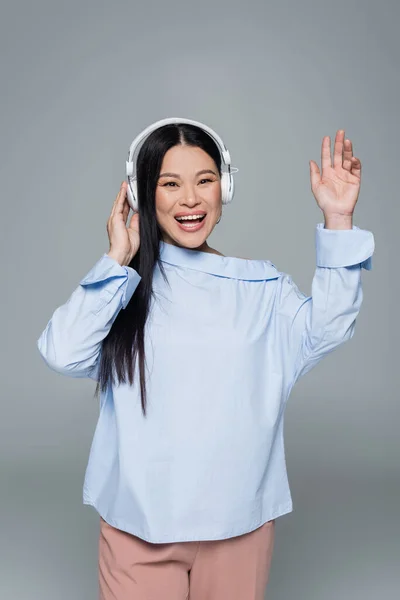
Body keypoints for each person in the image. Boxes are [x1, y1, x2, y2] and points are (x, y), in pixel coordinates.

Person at [37, 118, 375, 600]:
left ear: (225, 188)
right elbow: (62, 352)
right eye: (169, 184)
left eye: (205, 180)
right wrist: (116, 259)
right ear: (141, 194)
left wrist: (339, 220)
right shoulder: (122, 289)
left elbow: (331, 326)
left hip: (239, 530)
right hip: (138, 529)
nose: (190, 199)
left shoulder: (263, 288)